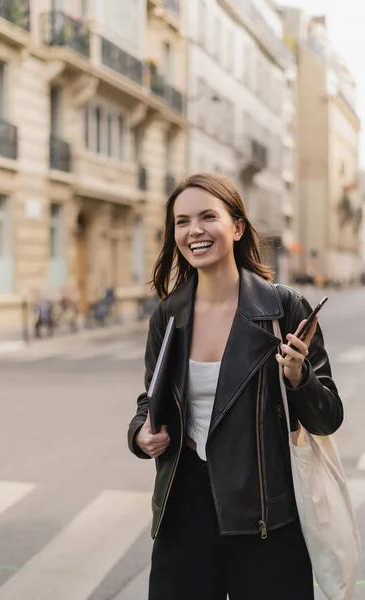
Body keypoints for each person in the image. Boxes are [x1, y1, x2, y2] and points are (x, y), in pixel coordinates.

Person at [127, 173, 343, 600]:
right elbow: (151, 398)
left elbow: (328, 417)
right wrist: (139, 433)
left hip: (265, 518)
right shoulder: (169, 314)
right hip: (182, 514)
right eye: (183, 221)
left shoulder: (281, 308)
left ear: (237, 227)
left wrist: (299, 377)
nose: (195, 231)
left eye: (208, 217)